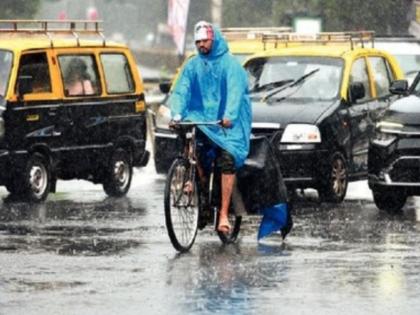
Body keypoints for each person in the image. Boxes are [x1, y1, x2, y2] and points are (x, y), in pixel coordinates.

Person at [169, 21, 252, 233]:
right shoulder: (192, 65)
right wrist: (176, 113)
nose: (201, 45)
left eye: (204, 41)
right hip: (204, 121)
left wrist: (229, 115)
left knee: (227, 160)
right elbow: (181, 90)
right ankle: (197, 182)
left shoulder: (230, 65)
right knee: (190, 142)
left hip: (228, 126)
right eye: (197, 42)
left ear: (213, 40)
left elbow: (235, 92)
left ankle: (223, 214)